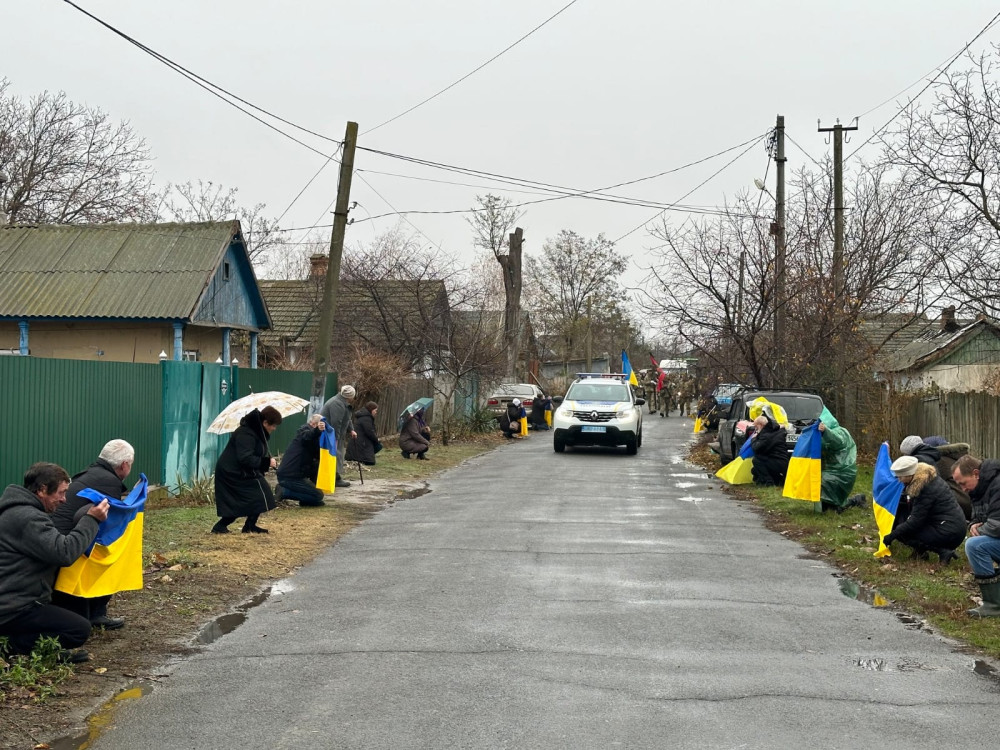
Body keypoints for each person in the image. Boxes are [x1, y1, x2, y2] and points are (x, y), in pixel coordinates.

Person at [0, 463, 109, 662]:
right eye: (61, 492)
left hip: (15, 599)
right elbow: (64, 552)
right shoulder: (28, 518)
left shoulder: (17, 511)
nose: (64, 499)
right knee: (78, 630)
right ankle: (9, 646)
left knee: (73, 609)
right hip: (13, 608)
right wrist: (91, 520)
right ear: (42, 490)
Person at [50, 439, 134, 631]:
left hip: (57, 538)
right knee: (109, 555)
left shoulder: (91, 473)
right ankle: (96, 613)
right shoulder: (109, 481)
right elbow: (108, 525)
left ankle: (94, 612)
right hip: (67, 546)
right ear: (124, 465)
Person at [882, 456, 966, 564]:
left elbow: (915, 521)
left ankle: (943, 551)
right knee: (903, 523)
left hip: (949, 532)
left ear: (909, 474)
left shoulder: (924, 488)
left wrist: (892, 535)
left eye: (900, 477)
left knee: (903, 532)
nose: (899, 480)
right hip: (952, 526)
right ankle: (920, 552)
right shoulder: (928, 478)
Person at [212, 406, 281, 534]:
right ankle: (220, 526)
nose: (274, 428)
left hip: (241, 471)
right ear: (265, 423)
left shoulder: (256, 432)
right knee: (241, 500)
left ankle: (249, 525)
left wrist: (265, 461)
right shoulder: (246, 434)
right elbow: (245, 458)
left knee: (260, 495)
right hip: (232, 472)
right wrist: (266, 462)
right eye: (273, 425)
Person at [953, 455, 1000, 617]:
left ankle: (993, 605)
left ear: (976, 474)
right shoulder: (980, 488)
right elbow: (979, 518)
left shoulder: (997, 485)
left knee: (975, 545)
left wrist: (979, 530)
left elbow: (996, 526)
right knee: (975, 542)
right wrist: (973, 524)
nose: (962, 489)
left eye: (963, 483)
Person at [900, 434, 972, 520]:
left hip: (958, 507)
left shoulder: (938, 462)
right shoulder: (953, 459)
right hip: (968, 503)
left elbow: (931, 490)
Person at [275, 413, 328, 507]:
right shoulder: (305, 433)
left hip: (292, 474)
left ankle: (306, 499)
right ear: (314, 424)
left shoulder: (310, 439)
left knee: (316, 495)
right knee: (318, 496)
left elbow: (317, 457)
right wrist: (317, 430)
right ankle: (284, 491)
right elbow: (308, 436)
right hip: (290, 476)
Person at [816, 410, 863, 513]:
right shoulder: (822, 435)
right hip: (832, 471)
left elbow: (837, 441)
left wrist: (825, 431)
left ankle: (855, 500)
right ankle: (831, 505)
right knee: (827, 504)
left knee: (835, 507)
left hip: (842, 473)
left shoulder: (840, 432)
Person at [321, 385, 358, 489]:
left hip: (334, 435)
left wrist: (351, 430)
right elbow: (336, 423)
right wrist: (335, 439)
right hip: (329, 435)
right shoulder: (337, 404)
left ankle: (335, 477)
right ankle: (335, 479)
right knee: (334, 456)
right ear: (350, 396)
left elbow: (347, 418)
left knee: (337, 455)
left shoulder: (342, 402)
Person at [749, 415, 789, 487]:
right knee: (754, 470)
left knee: (756, 461)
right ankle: (778, 480)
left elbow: (756, 448)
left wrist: (753, 439)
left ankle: (769, 482)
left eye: (756, 427)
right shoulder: (774, 431)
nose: (756, 429)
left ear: (760, 425)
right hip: (782, 461)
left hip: (778, 462)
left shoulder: (766, 435)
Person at [345, 401, 381, 466]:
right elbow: (369, 432)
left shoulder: (365, 417)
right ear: (371, 410)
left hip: (360, 442)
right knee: (377, 448)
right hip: (361, 443)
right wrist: (376, 440)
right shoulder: (366, 418)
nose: (376, 412)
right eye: (375, 410)